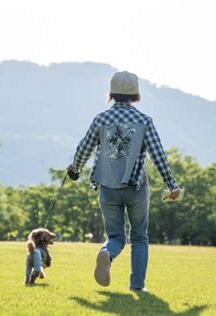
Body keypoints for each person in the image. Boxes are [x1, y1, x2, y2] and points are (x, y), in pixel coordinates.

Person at [67, 71, 181, 292]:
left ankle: (107, 253)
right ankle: (137, 286)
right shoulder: (144, 121)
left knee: (116, 236)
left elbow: (83, 149)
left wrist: (75, 169)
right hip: (136, 187)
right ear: (135, 95)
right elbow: (158, 156)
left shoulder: (100, 119)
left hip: (108, 189)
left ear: (111, 93)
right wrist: (171, 184)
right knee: (139, 237)